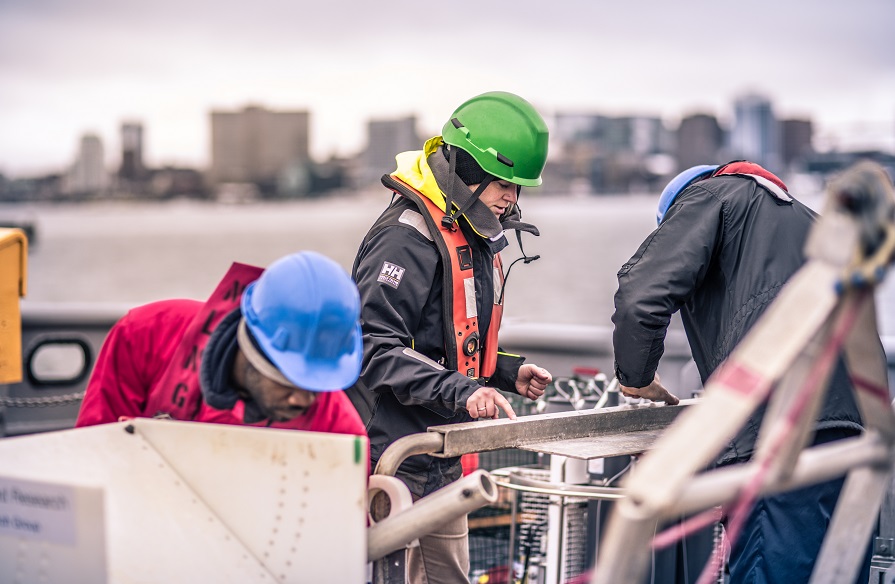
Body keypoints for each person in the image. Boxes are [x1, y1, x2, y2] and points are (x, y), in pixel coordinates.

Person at [610, 161, 869, 583]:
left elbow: (641, 298)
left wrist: (635, 379)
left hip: (775, 434)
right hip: (851, 433)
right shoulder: (810, 222)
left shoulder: (710, 197)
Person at [346, 91, 553, 583]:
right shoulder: (407, 235)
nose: (512, 198)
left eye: (518, 188)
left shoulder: (467, 226)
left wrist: (505, 371)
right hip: (392, 453)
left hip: (441, 451)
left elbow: (448, 336)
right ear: (469, 171)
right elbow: (375, 348)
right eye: (504, 183)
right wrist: (464, 391)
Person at [76, 250, 366, 438]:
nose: (304, 400)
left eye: (317, 385)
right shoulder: (145, 336)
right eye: (290, 382)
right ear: (253, 349)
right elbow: (94, 451)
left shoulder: (340, 431)